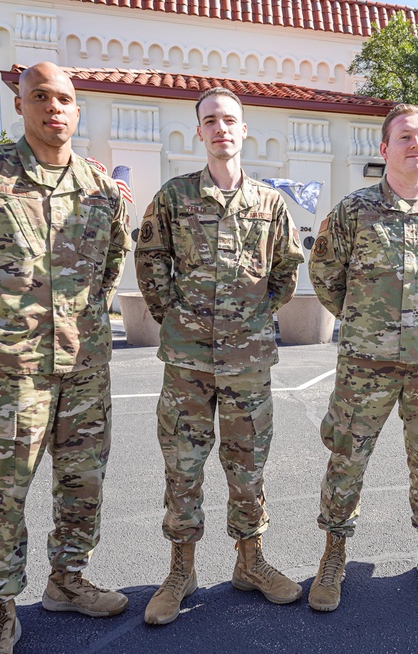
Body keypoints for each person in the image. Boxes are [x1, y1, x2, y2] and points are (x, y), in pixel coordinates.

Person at [0, 61, 132, 654]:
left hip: (86, 363)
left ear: (77, 109)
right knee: (4, 491)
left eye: (64, 98)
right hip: (13, 367)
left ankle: (67, 580)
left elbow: (112, 262)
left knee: (82, 481)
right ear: (21, 105)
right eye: (41, 97)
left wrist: (89, 323)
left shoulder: (96, 184)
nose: (54, 108)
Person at [135, 87, 305, 625]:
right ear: (199, 132)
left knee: (248, 465)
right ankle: (180, 570)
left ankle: (250, 561)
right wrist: (177, 318)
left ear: (244, 129)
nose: (221, 129)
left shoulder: (270, 202)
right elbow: (150, 260)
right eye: (211, 121)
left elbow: (285, 271)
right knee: (183, 467)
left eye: (230, 120)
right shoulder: (173, 196)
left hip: (247, 362)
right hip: (187, 362)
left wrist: (250, 320)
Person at [307, 103, 418, 611]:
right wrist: (365, 320)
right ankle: (333, 554)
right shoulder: (354, 210)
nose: (416, 145)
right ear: (385, 150)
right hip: (366, 362)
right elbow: (325, 276)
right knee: (347, 457)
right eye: (405, 137)